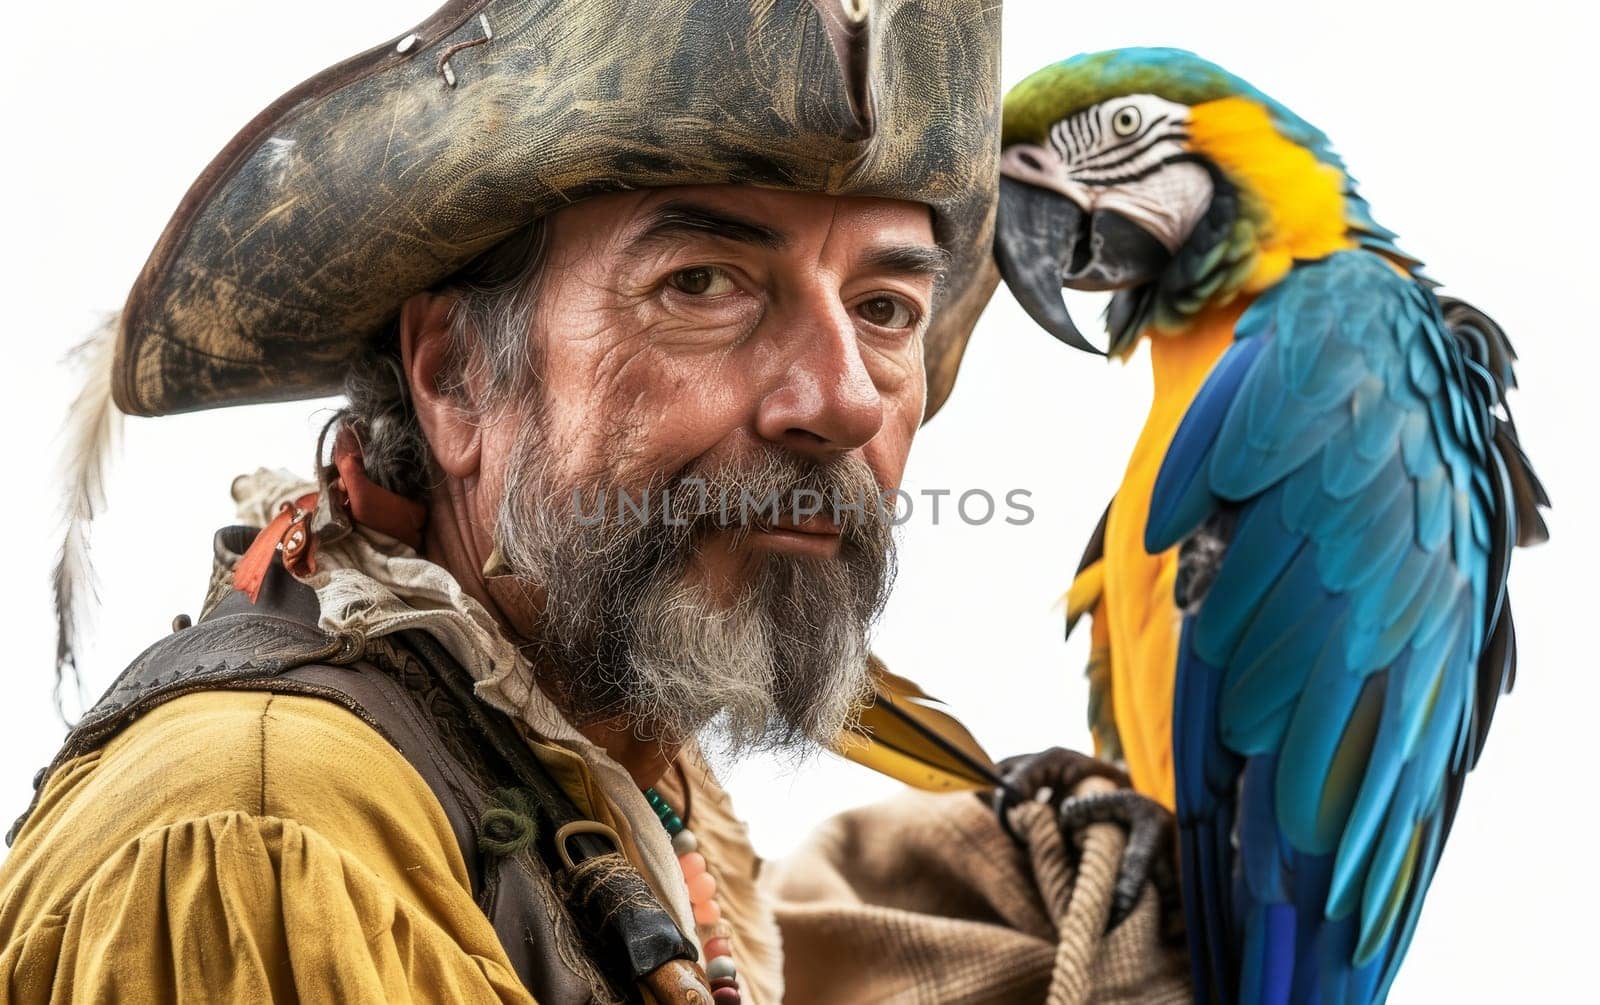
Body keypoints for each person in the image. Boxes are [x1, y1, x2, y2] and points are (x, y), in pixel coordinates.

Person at [0, 2, 1187, 1000]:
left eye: (884, 309)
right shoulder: (270, 834)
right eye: (704, 285)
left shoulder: (631, 775)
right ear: (454, 377)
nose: (843, 401)